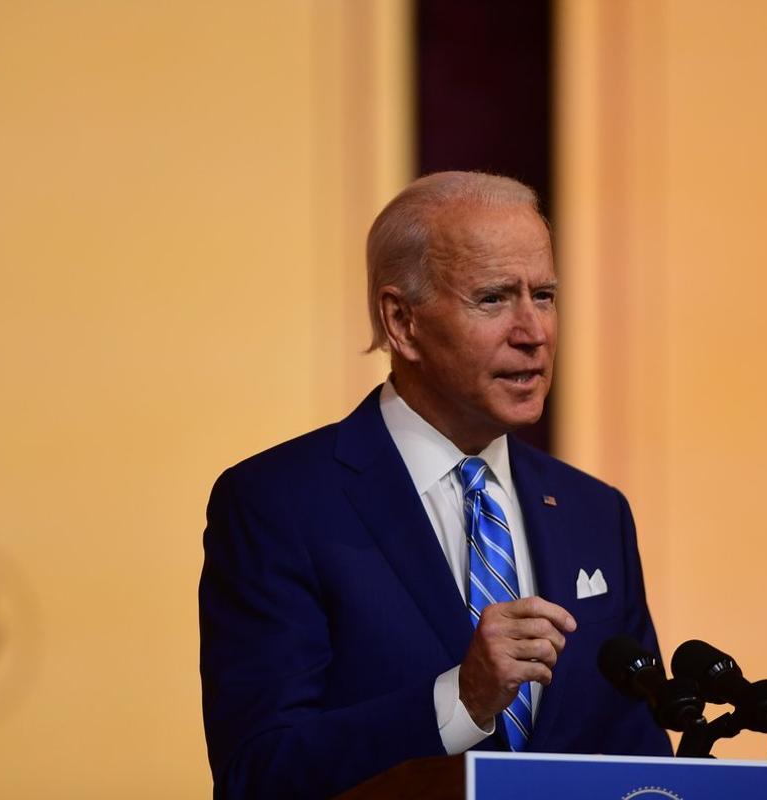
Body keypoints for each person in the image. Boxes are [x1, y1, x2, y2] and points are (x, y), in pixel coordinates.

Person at [199, 172, 671, 798]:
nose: (534, 331)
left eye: (546, 295)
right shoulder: (276, 505)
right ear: (402, 322)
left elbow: (637, 768)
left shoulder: (595, 514)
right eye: (494, 299)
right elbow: (258, 774)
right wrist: (459, 701)